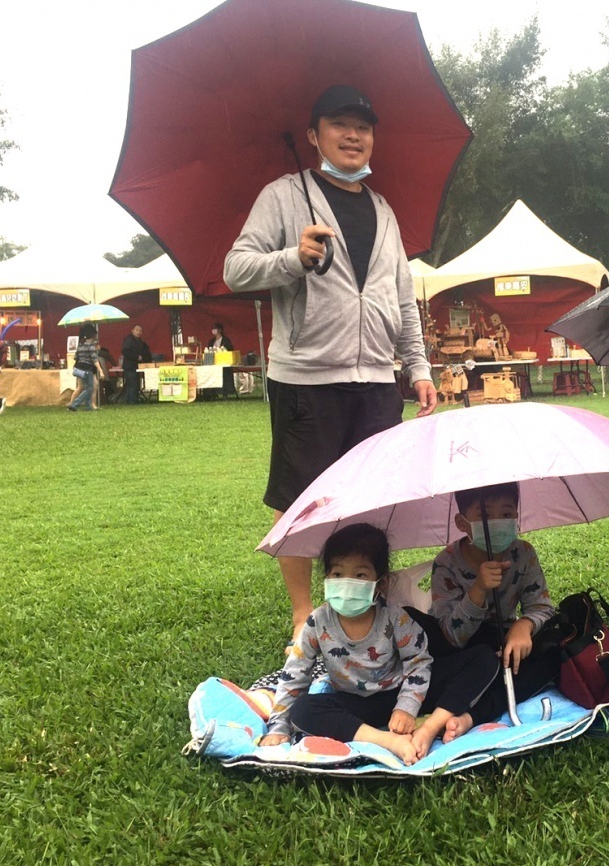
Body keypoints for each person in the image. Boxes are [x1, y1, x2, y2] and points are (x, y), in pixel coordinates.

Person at [224, 84, 437, 650]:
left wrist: (418, 368)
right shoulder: (283, 195)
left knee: (374, 499)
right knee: (303, 499)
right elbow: (236, 269)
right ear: (314, 135)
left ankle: (374, 605)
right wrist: (293, 258)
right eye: (339, 125)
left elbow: (400, 294)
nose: (353, 136)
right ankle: (303, 616)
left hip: (374, 380)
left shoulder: (384, 210)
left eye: (363, 127)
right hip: (305, 378)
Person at [258, 524, 498, 764]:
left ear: (380, 583)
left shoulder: (396, 618)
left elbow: (419, 662)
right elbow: (294, 675)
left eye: (360, 575)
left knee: (483, 658)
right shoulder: (317, 622)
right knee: (304, 710)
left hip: (401, 692)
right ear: (326, 578)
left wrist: (407, 706)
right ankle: (386, 741)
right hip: (355, 706)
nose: (347, 583)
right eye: (338, 574)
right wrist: (279, 727)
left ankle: (430, 727)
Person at [426, 482, 560, 740]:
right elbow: (452, 636)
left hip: (505, 640)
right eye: (486, 515)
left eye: (507, 514)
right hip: (463, 649)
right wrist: (478, 589)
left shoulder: (524, 554)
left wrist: (525, 625)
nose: (498, 521)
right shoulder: (446, 563)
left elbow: (541, 606)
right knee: (481, 656)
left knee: (552, 654)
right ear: (463, 523)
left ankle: (470, 717)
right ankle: (463, 702)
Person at [68, 326, 100, 412]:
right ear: (93, 335)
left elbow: (76, 357)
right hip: (87, 368)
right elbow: (94, 359)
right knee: (90, 388)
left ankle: (88, 406)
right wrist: (100, 370)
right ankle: (75, 404)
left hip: (79, 368)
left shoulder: (80, 345)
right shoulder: (91, 346)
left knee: (82, 387)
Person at [120, 324, 152, 404]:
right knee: (132, 384)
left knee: (136, 384)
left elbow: (145, 350)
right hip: (130, 366)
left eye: (140, 331)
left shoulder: (140, 341)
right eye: (137, 330)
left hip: (137, 366)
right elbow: (125, 351)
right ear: (132, 330)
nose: (138, 332)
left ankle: (134, 400)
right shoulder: (129, 339)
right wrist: (136, 357)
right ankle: (131, 401)